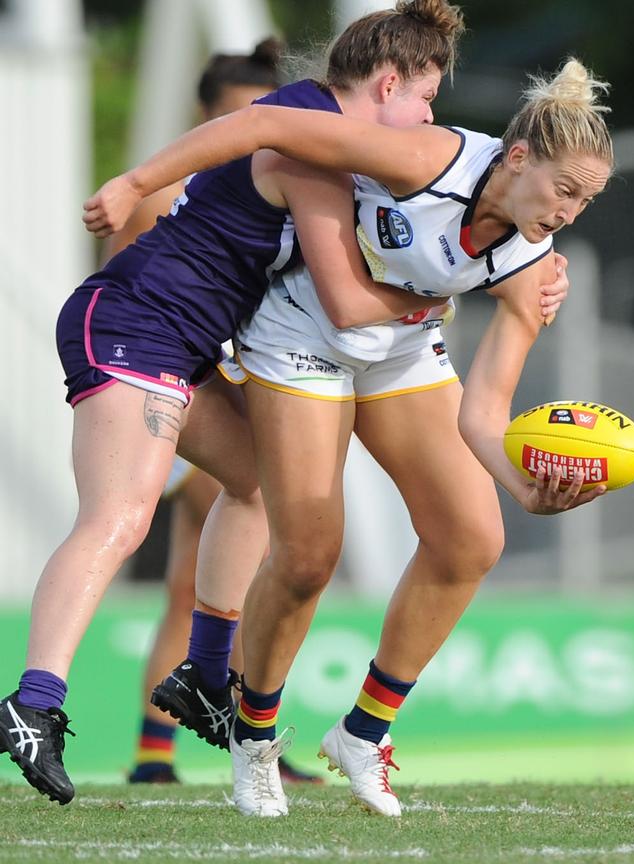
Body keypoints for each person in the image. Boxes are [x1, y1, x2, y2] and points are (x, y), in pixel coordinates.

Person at [0, 0, 567, 808]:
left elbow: (244, 132)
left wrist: (521, 263)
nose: (429, 118)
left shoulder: (317, 132)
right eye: (425, 98)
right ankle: (34, 703)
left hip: (182, 345)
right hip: (135, 328)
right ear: (387, 81)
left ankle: (203, 669)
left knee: (256, 486)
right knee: (120, 519)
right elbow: (341, 296)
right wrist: (443, 296)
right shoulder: (313, 145)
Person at [103, 39, 320, 788]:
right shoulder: (173, 196)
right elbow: (145, 297)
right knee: (229, 567)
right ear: (205, 117)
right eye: (238, 115)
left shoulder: (271, 181)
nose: (254, 127)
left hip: (229, 384)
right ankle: (209, 733)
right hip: (183, 384)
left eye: (265, 111)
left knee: (217, 572)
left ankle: (171, 748)